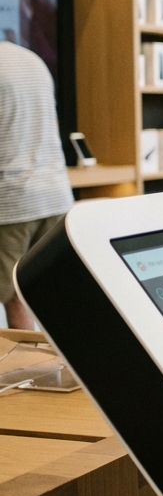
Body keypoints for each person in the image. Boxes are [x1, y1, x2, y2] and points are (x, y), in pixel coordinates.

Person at [0, 41, 73, 330]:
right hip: (55, 194)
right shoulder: (33, 61)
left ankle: (24, 360)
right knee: (48, 291)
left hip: (13, 200)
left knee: (14, 296)